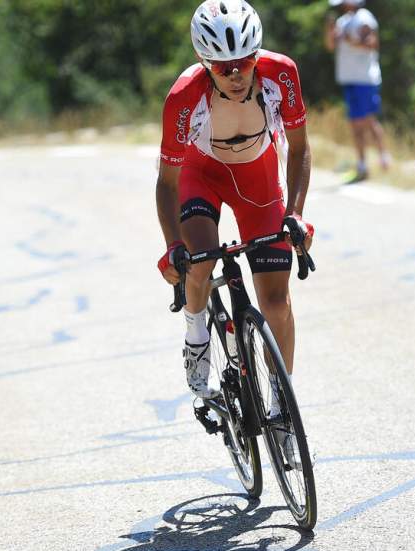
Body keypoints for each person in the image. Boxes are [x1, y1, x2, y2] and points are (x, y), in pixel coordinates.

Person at [155, 0, 314, 426]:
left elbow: (298, 148)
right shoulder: (183, 97)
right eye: (223, 67)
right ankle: (196, 339)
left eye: (245, 62)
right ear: (204, 63)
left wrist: (295, 213)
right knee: (200, 261)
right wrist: (173, 247)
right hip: (200, 174)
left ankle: (283, 408)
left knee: (276, 301)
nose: (237, 74)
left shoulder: (281, 74)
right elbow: (167, 183)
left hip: (258, 181)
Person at [324, 0, 390, 183]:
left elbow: (371, 44)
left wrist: (347, 39)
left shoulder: (365, 18)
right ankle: (362, 164)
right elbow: (331, 46)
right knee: (355, 123)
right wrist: (330, 31)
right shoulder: (342, 21)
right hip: (349, 78)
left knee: (368, 120)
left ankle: (383, 157)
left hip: (365, 79)